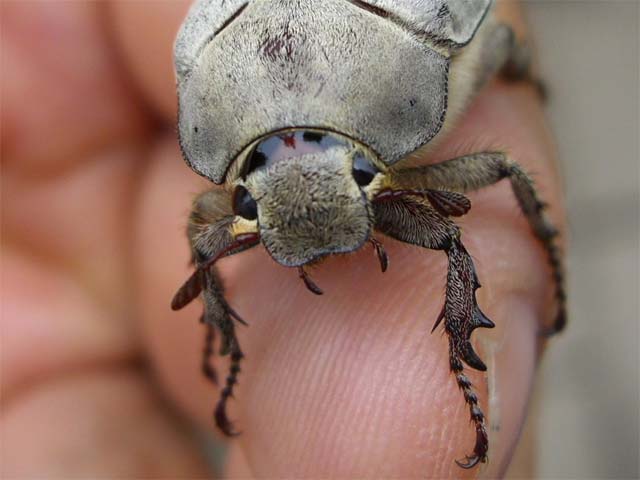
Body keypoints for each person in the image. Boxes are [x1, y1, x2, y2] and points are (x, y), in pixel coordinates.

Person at [1, 1, 565, 478]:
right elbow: (205, 230)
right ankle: (230, 349)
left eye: (359, 177)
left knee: (491, 151)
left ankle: (468, 361)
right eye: (249, 200)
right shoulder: (204, 63)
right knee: (204, 234)